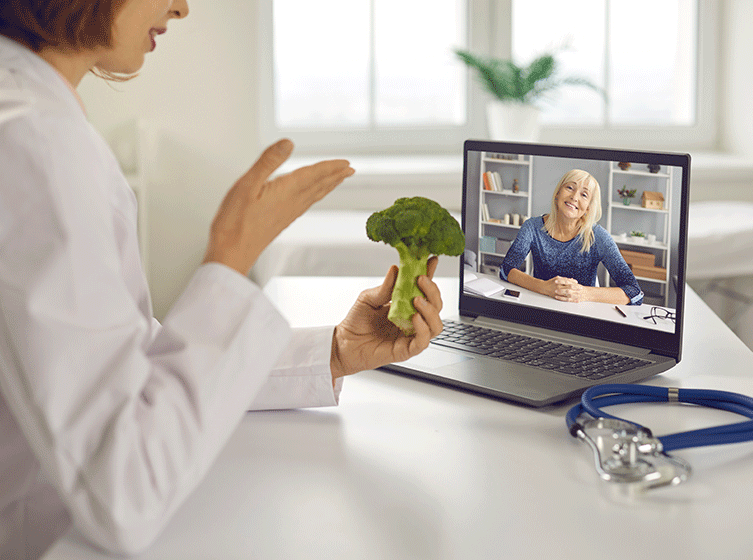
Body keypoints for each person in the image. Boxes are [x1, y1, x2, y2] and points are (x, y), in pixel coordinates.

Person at [0, 1, 444, 558]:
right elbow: (123, 489)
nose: (181, 7)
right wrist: (230, 259)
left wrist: (333, 350)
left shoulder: (39, 117)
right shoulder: (36, 144)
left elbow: (127, 363)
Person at [500, 169, 643, 305]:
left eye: (584, 195)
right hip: (540, 308)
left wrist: (584, 293)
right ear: (557, 193)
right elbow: (506, 269)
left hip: (581, 315)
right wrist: (544, 287)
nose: (574, 197)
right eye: (570, 188)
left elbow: (634, 292)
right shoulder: (532, 227)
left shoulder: (598, 236)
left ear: (588, 208)